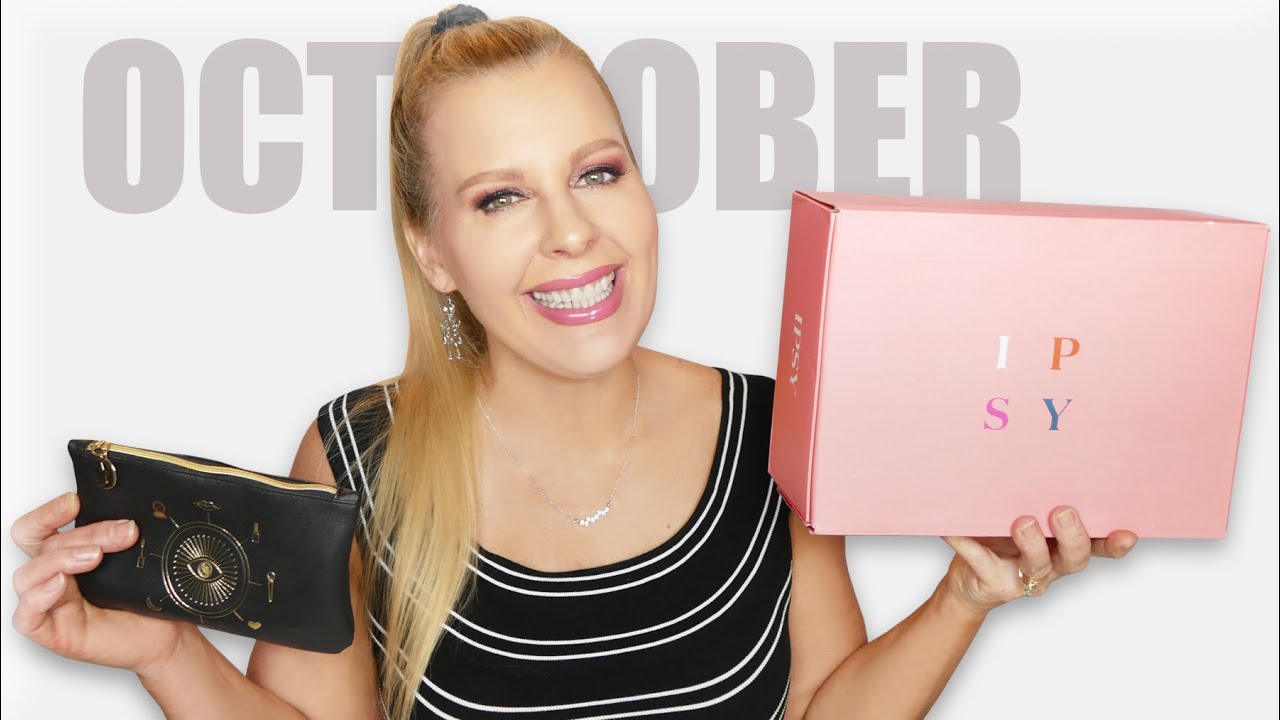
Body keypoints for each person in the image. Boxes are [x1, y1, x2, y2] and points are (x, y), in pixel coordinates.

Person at [10, 5, 1139, 719]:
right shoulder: (359, 453)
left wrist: (963, 598)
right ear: (432, 251)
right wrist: (165, 652)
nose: (572, 233)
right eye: (500, 198)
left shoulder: (773, 430)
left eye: (598, 173)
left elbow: (817, 714)